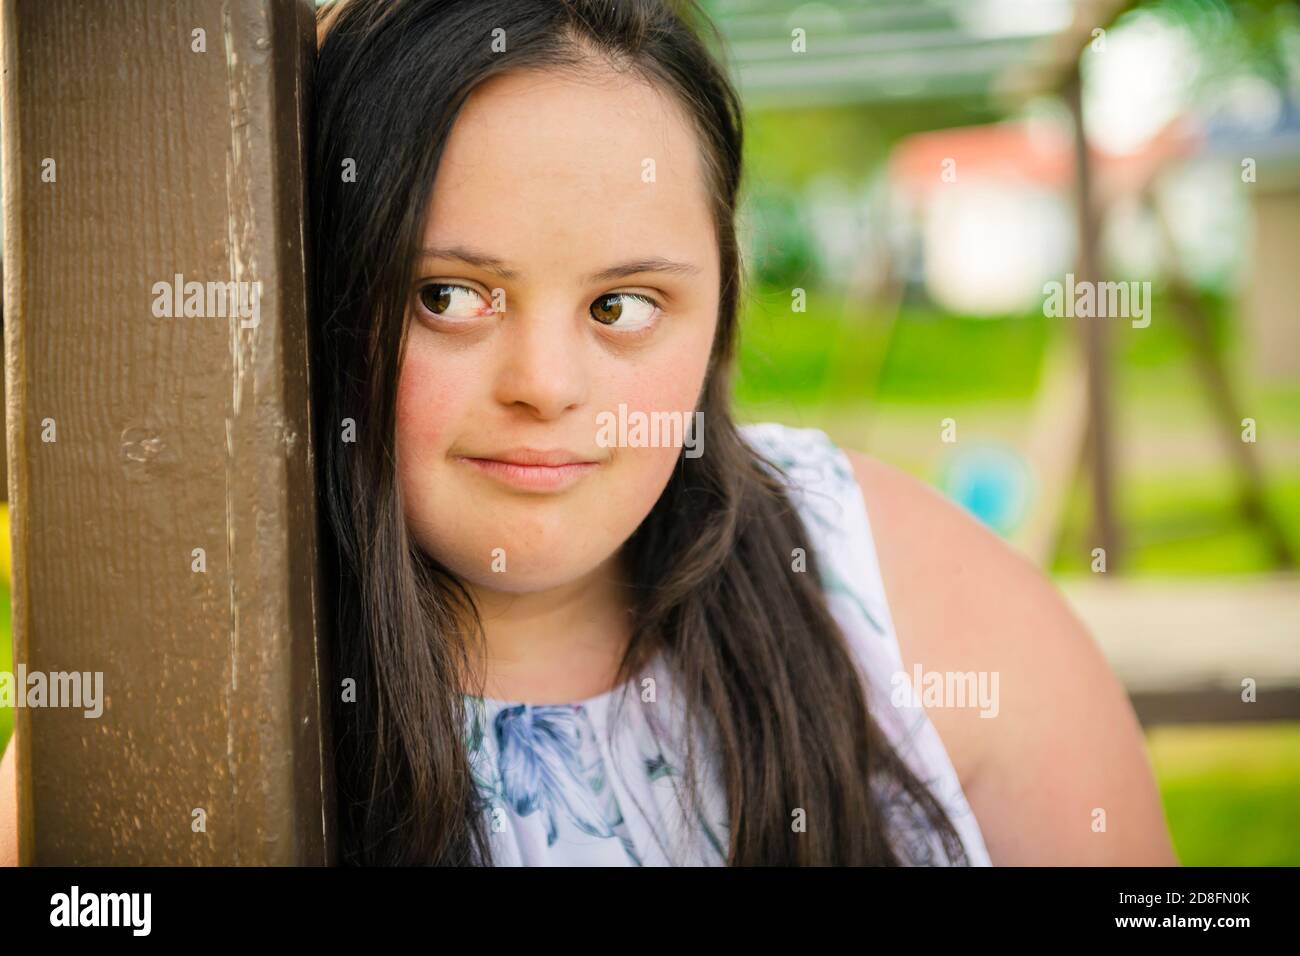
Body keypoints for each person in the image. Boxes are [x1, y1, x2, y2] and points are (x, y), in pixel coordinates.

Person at [0, 0, 1177, 867]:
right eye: (449, 296)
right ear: (326, 293)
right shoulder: (184, 677)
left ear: (718, 309)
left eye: (621, 306)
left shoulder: (892, 587)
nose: (547, 386)